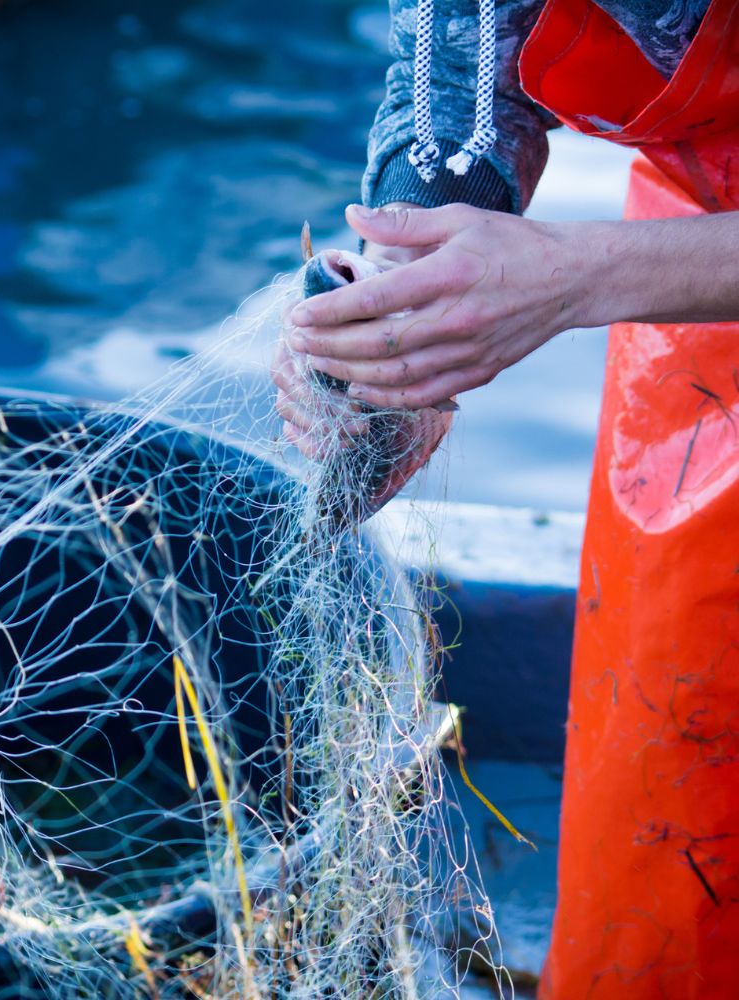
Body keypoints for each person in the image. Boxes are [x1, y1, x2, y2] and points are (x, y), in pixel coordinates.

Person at [274, 2, 739, 997]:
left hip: (648, 272)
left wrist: (576, 278)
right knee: (666, 851)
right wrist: (402, 305)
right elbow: (464, 44)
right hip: (694, 290)